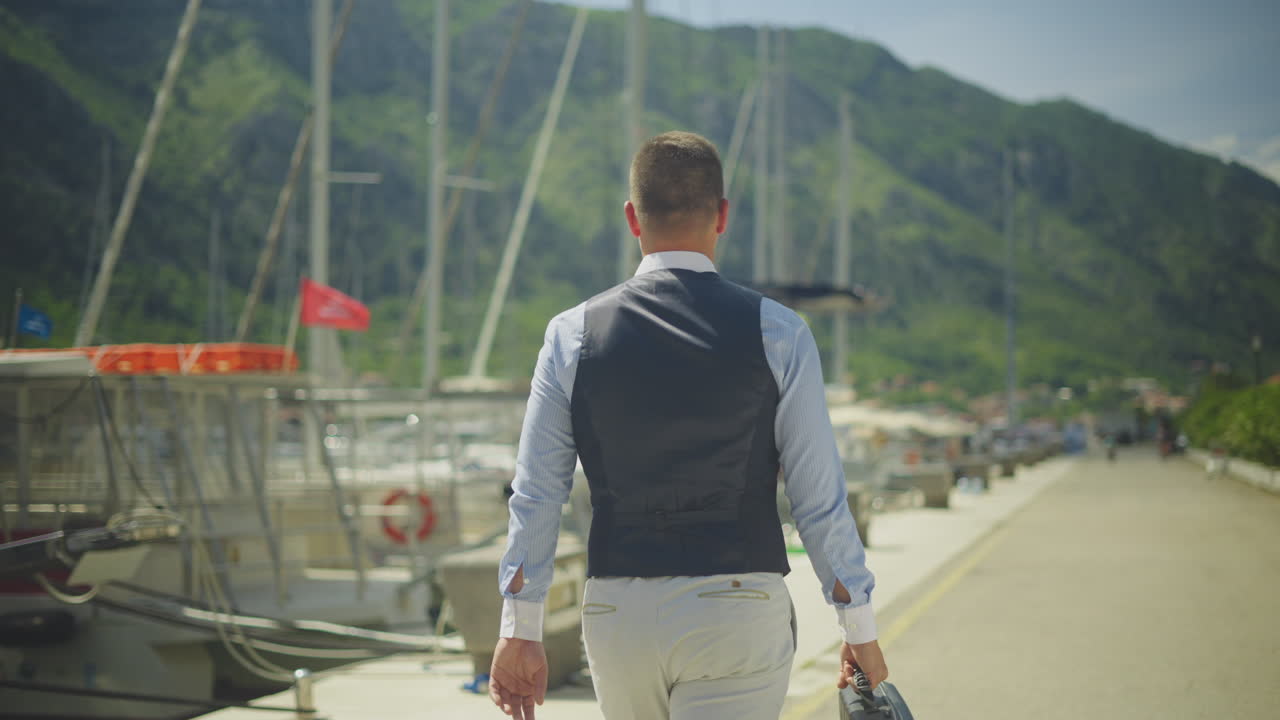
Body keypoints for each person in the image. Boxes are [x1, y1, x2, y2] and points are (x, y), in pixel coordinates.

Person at [488, 131, 886, 720]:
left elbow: (538, 492)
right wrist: (858, 626)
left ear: (632, 217)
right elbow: (818, 499)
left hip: (619, 611)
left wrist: (520, 628)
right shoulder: (779, 332)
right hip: (739, 605)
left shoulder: (571, 334)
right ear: (722, 215)